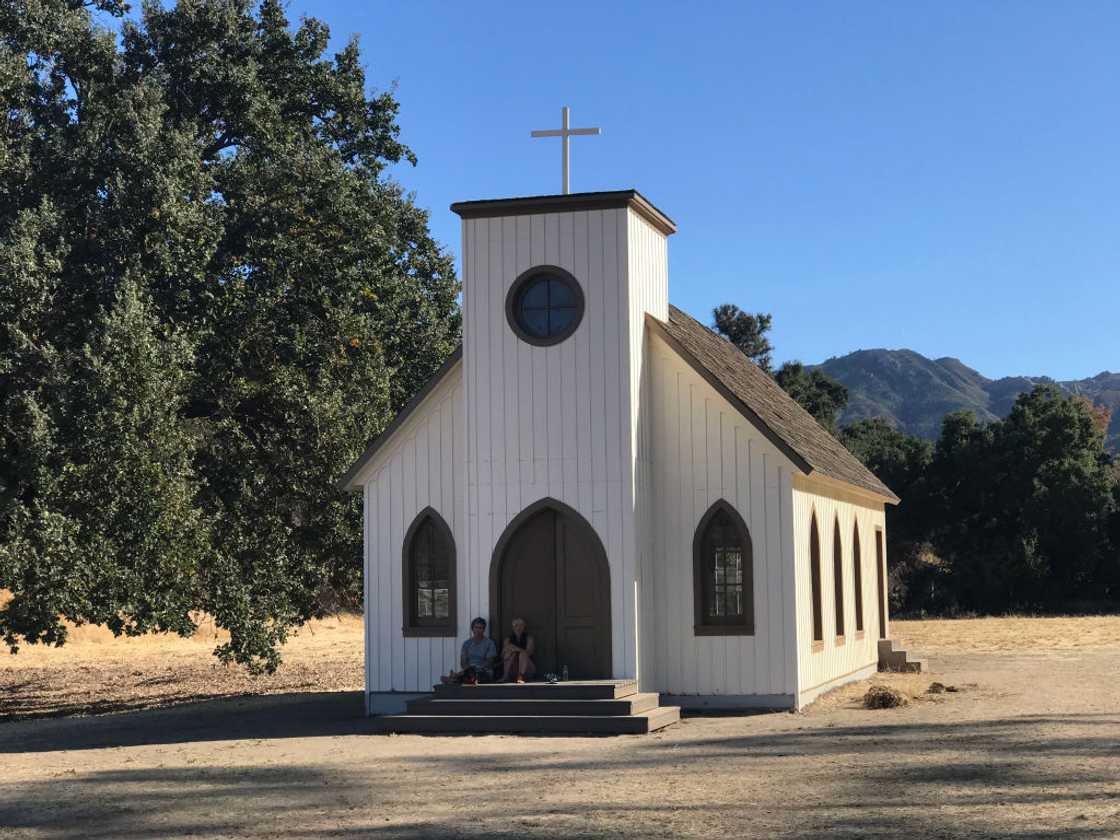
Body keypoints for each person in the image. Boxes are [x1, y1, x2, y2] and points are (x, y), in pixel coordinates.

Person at [442, 617, 497, 685]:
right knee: (469, 674)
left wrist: (475, 668)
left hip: (484, 671)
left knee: (473, 674)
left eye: (480, 628)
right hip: (469, 671)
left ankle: (454, 677)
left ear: (484, 630)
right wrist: (468, 669)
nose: (477, 630)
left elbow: (489, 662)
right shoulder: (467, 644)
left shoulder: (489, 643)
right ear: (472, 628)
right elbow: (463, 662)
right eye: (476, 627)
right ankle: (456, 678)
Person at [500, 617, 536, 684]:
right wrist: (511, 650)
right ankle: (505, 676)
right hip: (512, 670)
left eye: (521, 625)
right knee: (509, 653)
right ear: (513, 627)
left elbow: (529, 652)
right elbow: (502, 655)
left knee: (523, 654)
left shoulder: (529, 638)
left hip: (527, 670)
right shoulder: (508, 639)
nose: (519, 627)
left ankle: (520, 676)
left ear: (524, 627)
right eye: (516, 625)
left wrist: (515, 648)